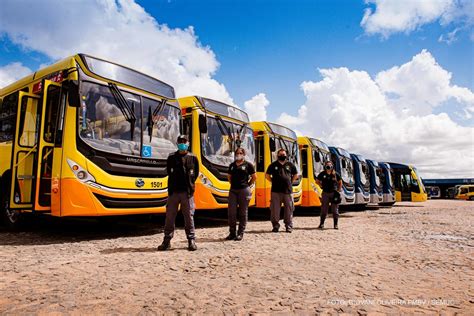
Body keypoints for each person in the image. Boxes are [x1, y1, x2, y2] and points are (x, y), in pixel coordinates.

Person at [158, 135, 199, 251]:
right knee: (170, 217)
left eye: (184, 141)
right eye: (180, 141)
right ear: (177, 143)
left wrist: (190, 186)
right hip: (173, 193)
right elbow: (169, 172)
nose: (182, 143)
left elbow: (195, 175)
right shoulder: (171, 157)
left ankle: (191, 240)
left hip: (187, 193)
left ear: (188, 143)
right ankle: (166, 241)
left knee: (189, 217)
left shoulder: (193, 158)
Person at [226, 147, 257, 241]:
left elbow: (254, 177)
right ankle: (232, 233)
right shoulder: (232, 165)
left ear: (244, 154)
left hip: (244, 190)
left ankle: (240, 233)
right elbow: (229, 177)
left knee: (243, 212)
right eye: (237, 153)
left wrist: (248, 184)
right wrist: (232, 184)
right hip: (233, 190)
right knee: (232, 212)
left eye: (240, 153)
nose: (238, 154)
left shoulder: (248, 165)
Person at [265, 148, 299, 233]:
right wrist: (273, 181)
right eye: (280, 154)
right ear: (277, 155)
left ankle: (288, 226)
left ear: (286, 155)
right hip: (276, 191)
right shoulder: (273, 165)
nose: (282, 156)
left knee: (289, 209)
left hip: (288, 191)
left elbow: (295, 175)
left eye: (283, 154)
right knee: (275, 210)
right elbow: (267, 175)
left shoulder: (290, 165)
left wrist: (290, 182)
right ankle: (275, 226)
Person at [315, 160, 342, 229]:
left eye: (330, 165)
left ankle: (335, 225)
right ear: (325, 166)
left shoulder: (336, 174)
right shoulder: (322, 173)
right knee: (324, 209)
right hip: (325, 193)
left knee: (335, 210)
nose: (329, 166)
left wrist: (338, 190)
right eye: (327, 165)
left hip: (334, 193)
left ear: (332, 166)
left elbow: (340, 182)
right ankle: (321, 224)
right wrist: (321, 185)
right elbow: (317, 181)